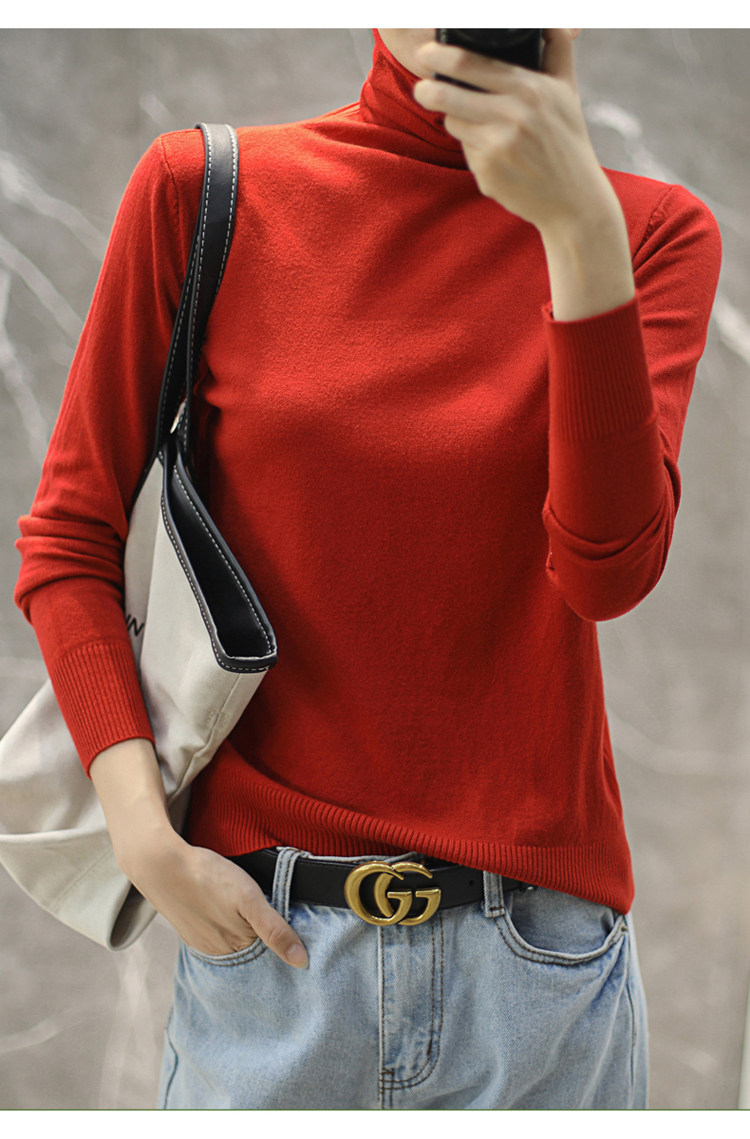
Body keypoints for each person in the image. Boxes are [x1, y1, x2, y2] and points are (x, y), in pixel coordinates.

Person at [13, 28, 721, 1109]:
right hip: (272, 966)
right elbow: (72, 536)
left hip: (539, 980)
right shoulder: (206, 191)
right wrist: (144, 838)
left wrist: (577, 229)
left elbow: (607, 573)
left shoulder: (647, 233)